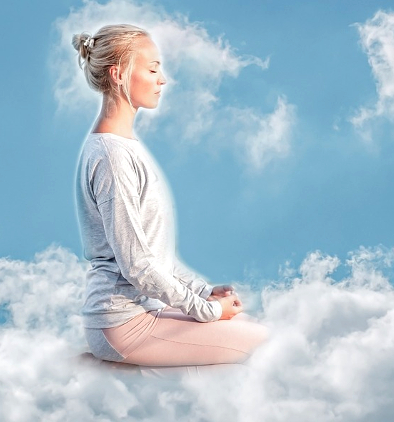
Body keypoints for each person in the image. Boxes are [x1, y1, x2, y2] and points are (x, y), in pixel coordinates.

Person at [72, 24, 267, 374]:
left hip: (143, 310)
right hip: (122, 324)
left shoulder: (124, 148)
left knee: (252, 323)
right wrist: (207, 311)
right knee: (265, 344)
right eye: (152, 68)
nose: (163, 79)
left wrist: (204, 292)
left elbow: (153, 255)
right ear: (118, 75)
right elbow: (138, 266)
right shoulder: (112, 157)